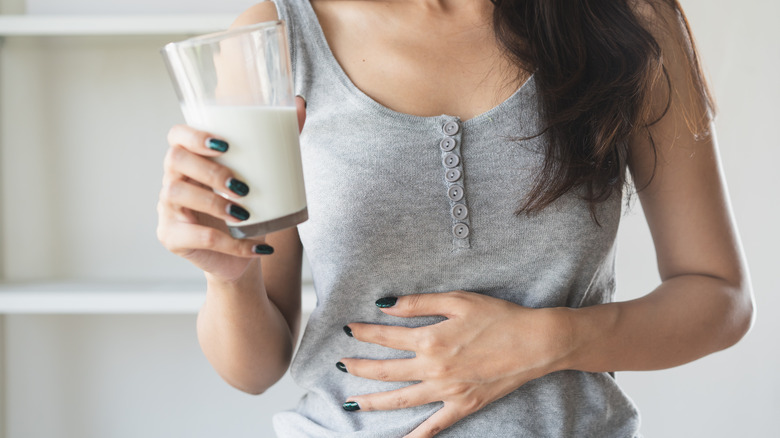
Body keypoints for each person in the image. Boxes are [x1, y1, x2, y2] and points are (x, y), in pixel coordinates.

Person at [157, 0, 755, 436]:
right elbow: (254, 369)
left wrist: (548, 339)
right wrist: (228, 277)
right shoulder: (274, 37)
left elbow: (719, 298)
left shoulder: (628, 19)